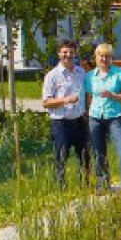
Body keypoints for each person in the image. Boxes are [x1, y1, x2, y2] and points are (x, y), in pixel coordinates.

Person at [85, 43, 121, 190]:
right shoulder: (90, 76)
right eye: (101, 56)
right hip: (95, 117)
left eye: (107, 56)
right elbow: (88, 97)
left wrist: (113, 95)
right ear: (96, 58)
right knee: (98, 151)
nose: (104, 59)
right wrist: (88, 113)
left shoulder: (119, 73)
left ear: (111, 58)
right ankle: (102, 183)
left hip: (114, 116)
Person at [41, 39, 89, 187]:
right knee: (61, 157)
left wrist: (87, 111)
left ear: (75, 54)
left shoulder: (81, 72)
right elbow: (46, 102)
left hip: (80, 121)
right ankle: (61, 190)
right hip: (61, 123)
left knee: (85, 156)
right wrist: (66, 100)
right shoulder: (52, 76)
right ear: (59, 54)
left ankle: (85, 186)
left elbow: (86, 93)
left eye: (71, 52)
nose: (68, 55)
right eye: (65, 52)